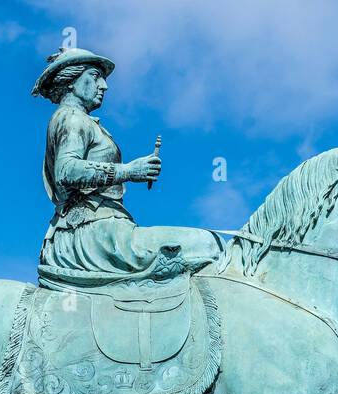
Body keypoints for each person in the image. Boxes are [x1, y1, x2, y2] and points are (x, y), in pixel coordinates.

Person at [32, 48, 223, 285]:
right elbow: (66, 171)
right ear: (71, 81)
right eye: (94, 77)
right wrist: (130, 171)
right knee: (206, 243)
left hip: (103, 225)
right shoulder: (72, 117)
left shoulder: (83, 121)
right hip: (90, 231)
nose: (104, 86)